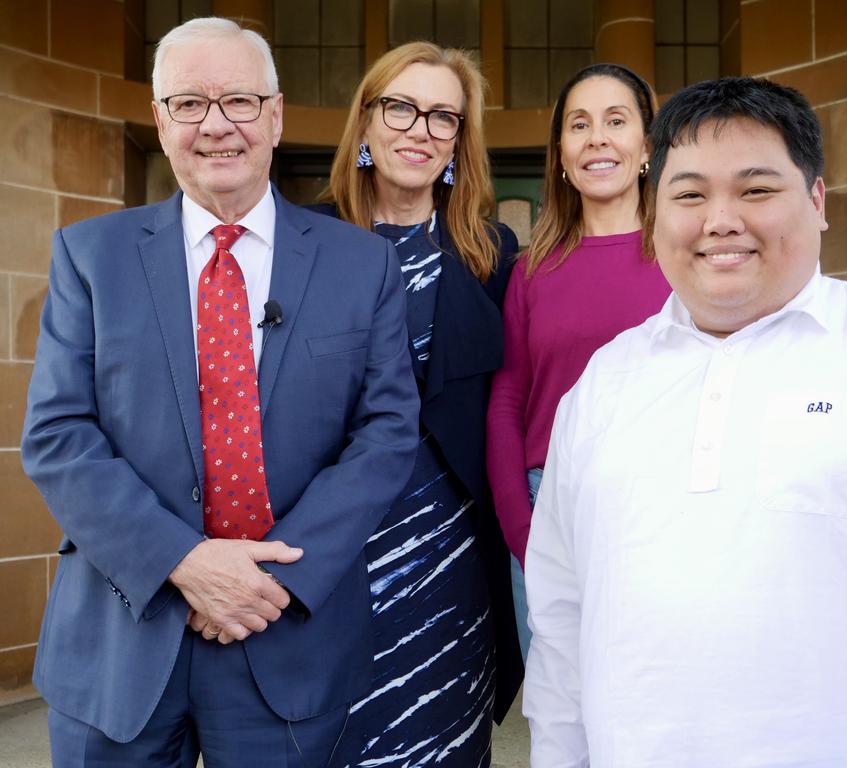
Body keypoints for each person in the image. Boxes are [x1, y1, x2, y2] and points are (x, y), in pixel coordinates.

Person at [524, 76, 847, 766]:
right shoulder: (604, 388)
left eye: (756, 190)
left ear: (817, 201)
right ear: (656, 211)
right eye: (690, 194)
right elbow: (560, 621)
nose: (720, 220)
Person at [21, 17, 420, 767]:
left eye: (238, 101)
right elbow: (58, 435)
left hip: (289, 636)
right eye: (189, 104)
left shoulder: (362, 265)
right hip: (121, 640)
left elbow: (388, 432)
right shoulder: (90, 255)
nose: (216, 126)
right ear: (161, 122)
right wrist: (187, 561)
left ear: (273, 116)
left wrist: (263, 578)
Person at [312, 41, 523, 764]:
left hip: (452, 562)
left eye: (443, 117)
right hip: (332, 554)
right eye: (400, 107)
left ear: (460, 141)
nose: (420, 130)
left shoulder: (490, 252)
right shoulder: (301, 241)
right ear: (366, 122)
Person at [485, 63, 670, 660]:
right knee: (563, 720)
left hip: (666, 508)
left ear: (647, 145)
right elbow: (508, 401)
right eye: (579, 125)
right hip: (550, 510)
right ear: (561, 153)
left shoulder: (688, 257)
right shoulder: (532, 269)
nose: (597, 139)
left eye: (616, 121)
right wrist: (523, 530)